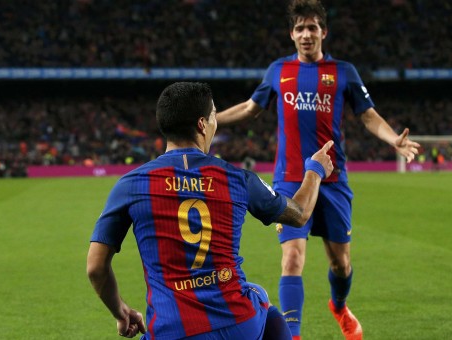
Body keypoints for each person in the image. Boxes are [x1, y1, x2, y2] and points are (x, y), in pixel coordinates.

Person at [215, 1, 420, 339]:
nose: (306, 34)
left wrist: (392, 139)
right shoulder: (277, 71)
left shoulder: (343, 72)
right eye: (299, 28)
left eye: (312, 28)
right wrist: (212, 119)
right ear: (291, 34)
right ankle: (293, 336)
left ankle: (338, 307)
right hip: (290, 180)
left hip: (333, 180)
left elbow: (367, 115)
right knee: (292, 259)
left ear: (323, 32)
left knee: (340, 264)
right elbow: (251, 109)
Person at [87, 82, 335, 339]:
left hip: (172, 330)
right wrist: (314, 170)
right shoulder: (237, 178)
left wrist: (121, 312)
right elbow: (300, 213)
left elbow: (95, 267)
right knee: (259, 297)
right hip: (239, 325)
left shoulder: (130, 185)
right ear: (202, 125)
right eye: (214, 116)